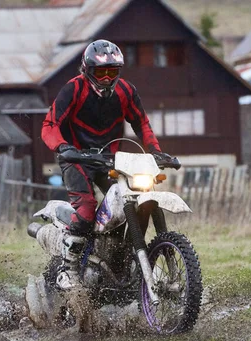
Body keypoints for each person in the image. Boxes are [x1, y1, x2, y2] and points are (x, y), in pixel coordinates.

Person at [41, 39, 169, 290]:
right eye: (102, 71)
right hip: (75, 157)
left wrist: (156, 152)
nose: (108, 77)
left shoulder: (126, 91)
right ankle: (69, 269)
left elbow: (141, 123)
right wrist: (62, 147)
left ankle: (126, 261)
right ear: (88, 70)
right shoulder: (74, 89)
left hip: (110, 160)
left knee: (133, 198)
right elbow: (49, 125)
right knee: (88, 208)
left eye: (113, 71)